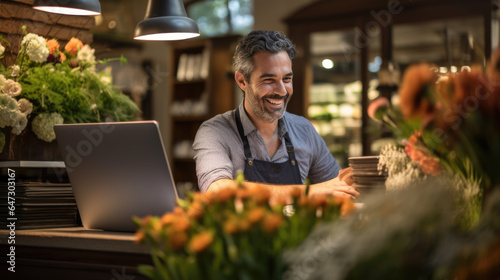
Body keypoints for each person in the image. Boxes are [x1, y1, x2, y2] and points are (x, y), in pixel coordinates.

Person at [193, 30, 358, 200]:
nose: (281, 91)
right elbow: (218, 192)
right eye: (269, 80)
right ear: (242, 81)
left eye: (287, 79)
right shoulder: (214, 132)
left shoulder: (304, 129)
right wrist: (310, 192)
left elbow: (339, 186)